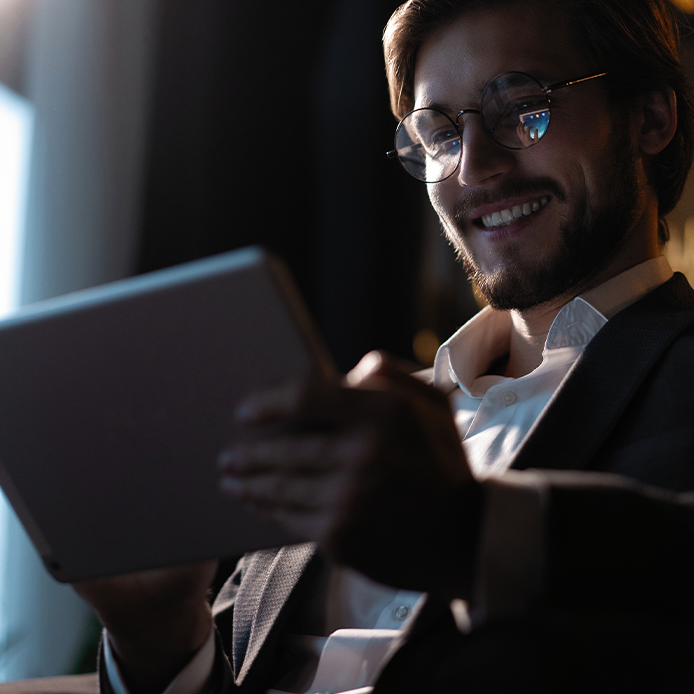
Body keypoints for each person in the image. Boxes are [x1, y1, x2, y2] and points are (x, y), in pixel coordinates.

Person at [35, 0, 694, 692]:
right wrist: (159, 640)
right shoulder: (364, 421)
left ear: (650, 118)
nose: (473, 168)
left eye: (524, 109)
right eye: (439, 134)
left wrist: (472, 529)